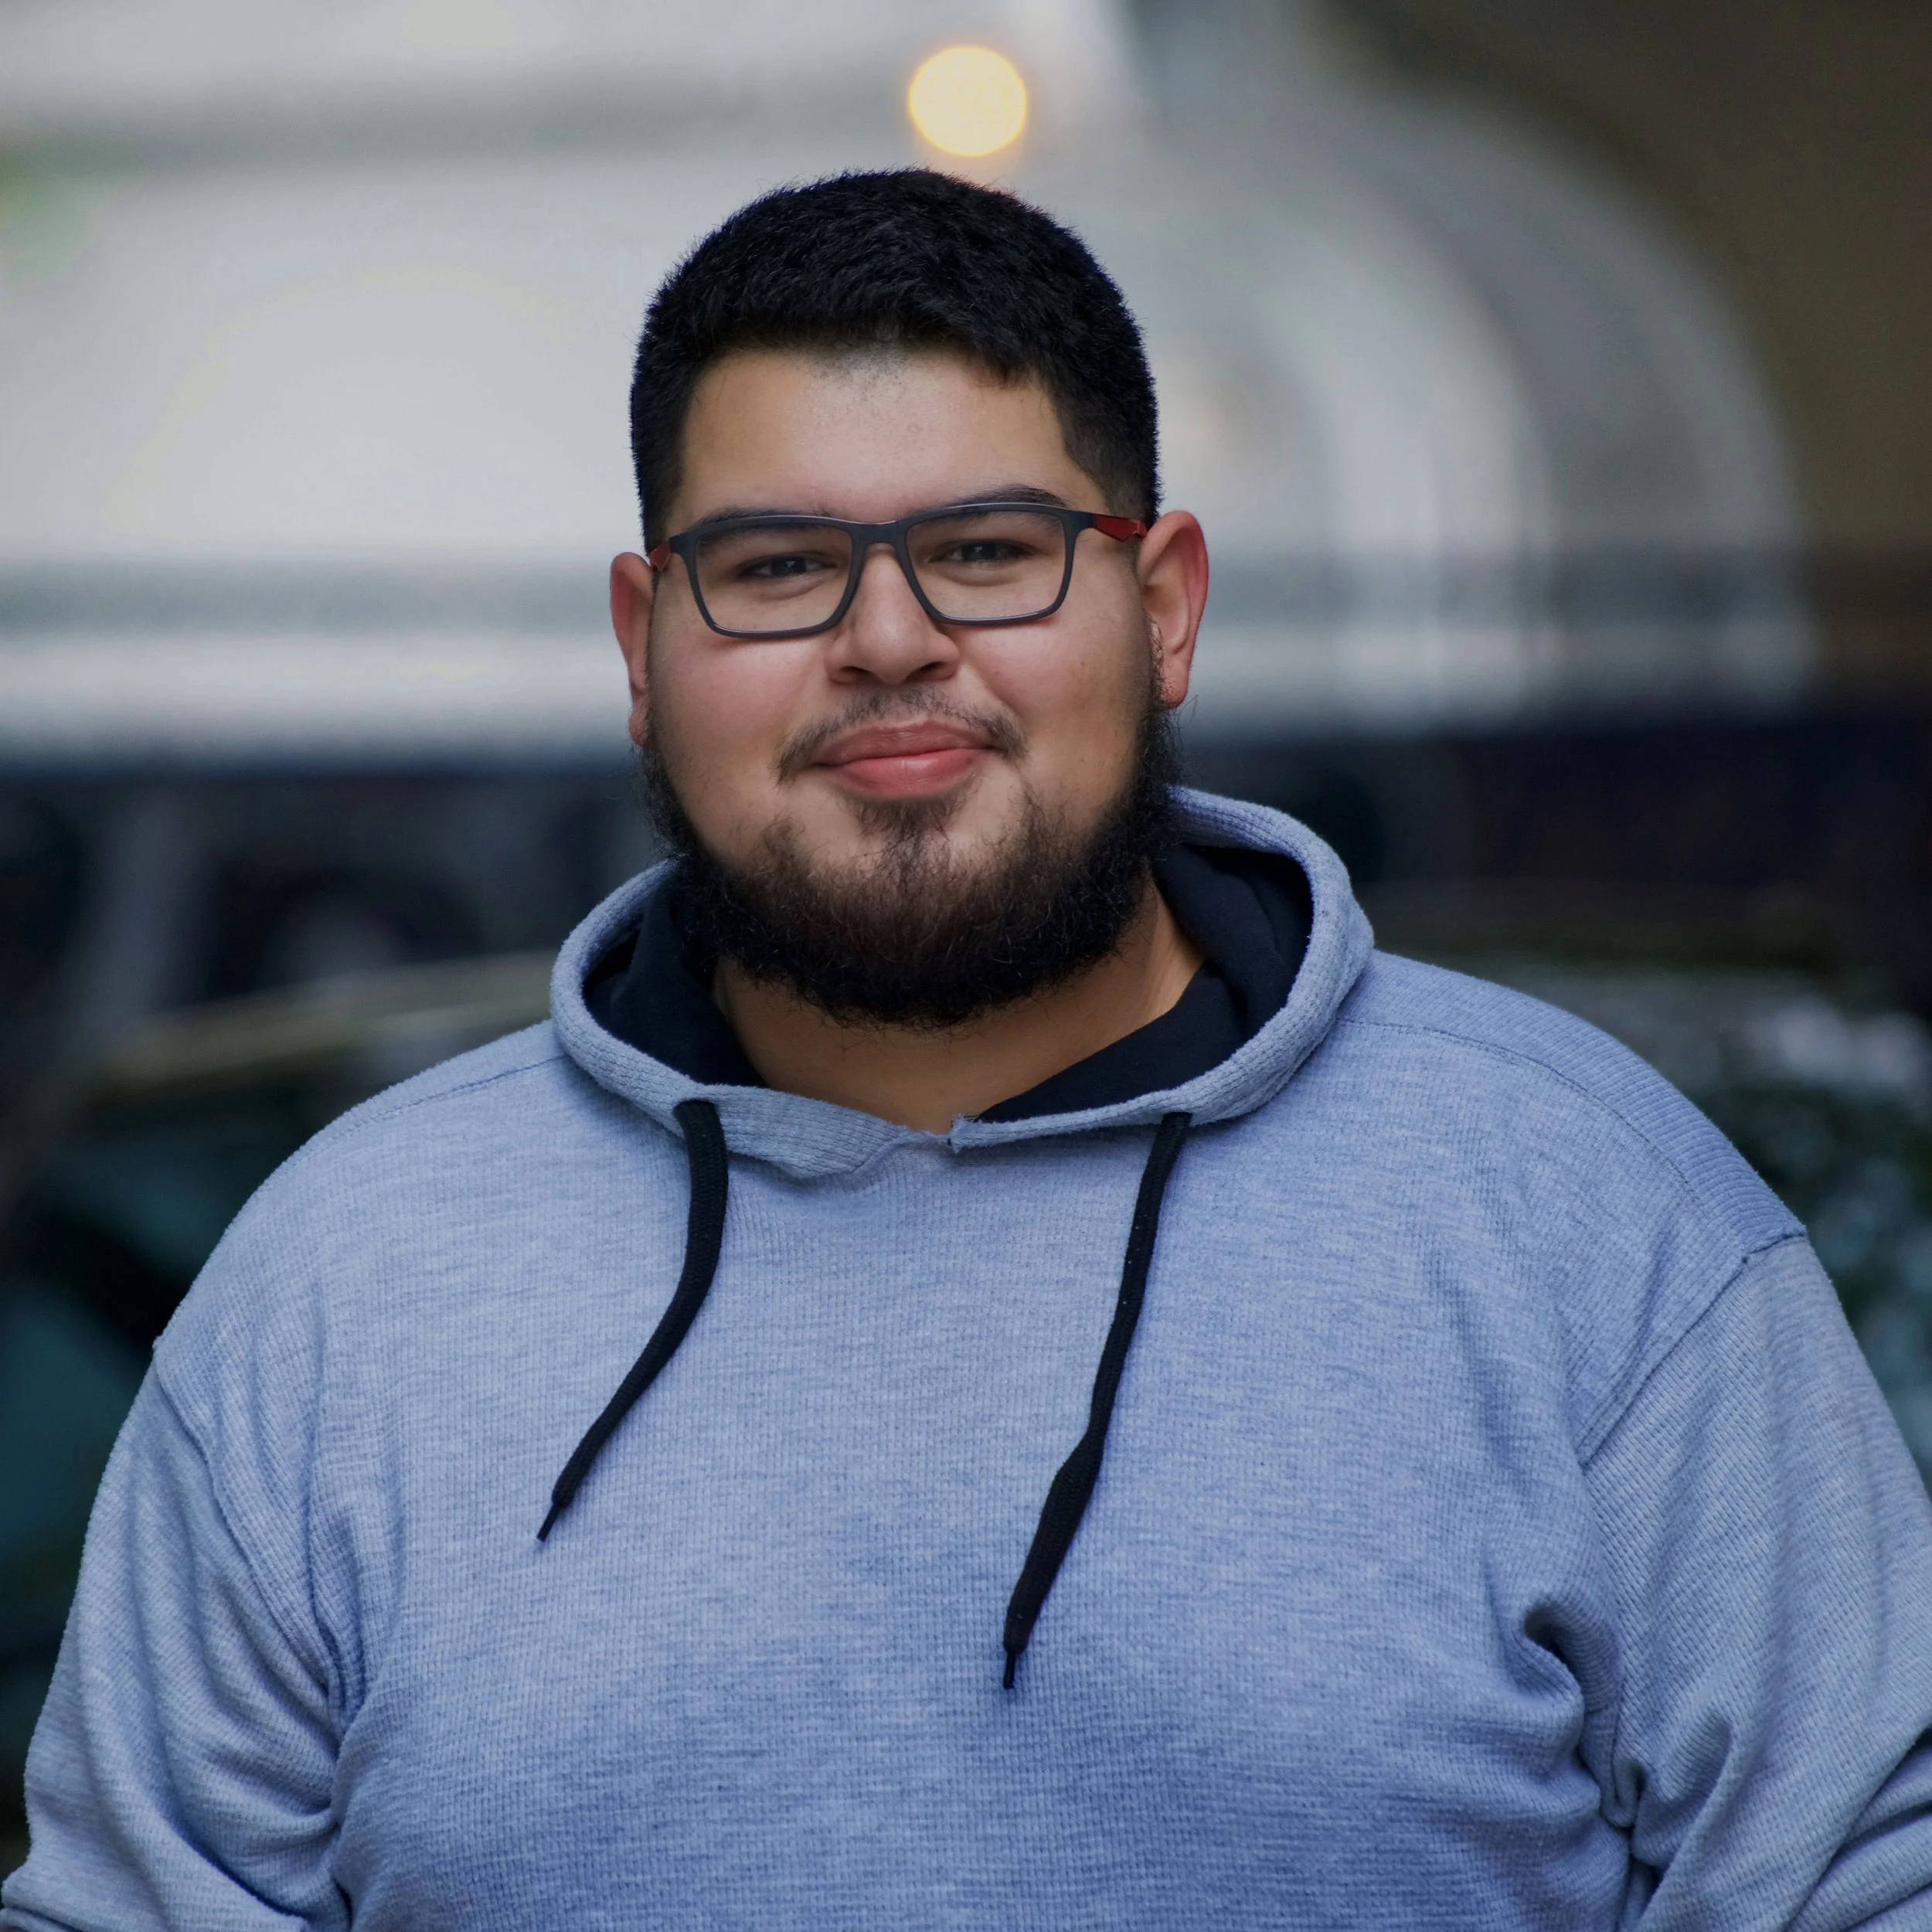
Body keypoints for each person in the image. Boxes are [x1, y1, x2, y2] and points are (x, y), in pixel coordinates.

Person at [7, 168, 1932, 1932]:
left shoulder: (1590, 1217)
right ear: (642, 641)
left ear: (1161, 607)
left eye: (990, 548)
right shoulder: (341, 1279)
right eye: (776, 565)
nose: (887, 638)